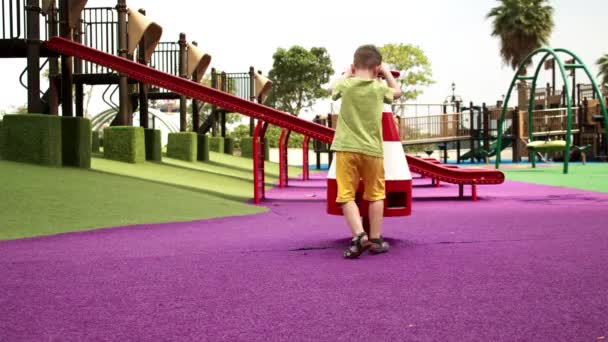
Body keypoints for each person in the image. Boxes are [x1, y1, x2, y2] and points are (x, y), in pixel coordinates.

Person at [330, 44, 401, 259]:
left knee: (346, 195)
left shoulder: (346, 85)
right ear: (377, 68)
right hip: (372, 150)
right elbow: (397, 93)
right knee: (376, 194)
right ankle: (376, 238)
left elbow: (333, 91)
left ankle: (359, 236)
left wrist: (345, 74)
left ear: (354, 66)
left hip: (346, 148)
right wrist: (387, 73)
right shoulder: (379, 89)